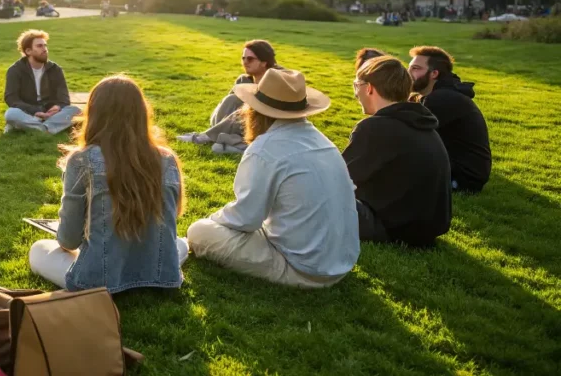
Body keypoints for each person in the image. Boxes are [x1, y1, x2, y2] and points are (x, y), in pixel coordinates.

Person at [187, 69, 359, 288]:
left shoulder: (265, 149)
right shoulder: (322, 141)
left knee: (199, 231)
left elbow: (245, 219)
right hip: (340, 263)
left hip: (304, 269)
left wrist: (214, 220)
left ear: (254, 111)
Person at [28, 76, 187, 293]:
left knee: (38, 249)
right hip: (160, 275)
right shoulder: (167, 158)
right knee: (181, 244)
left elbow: (68, 240)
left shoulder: (82, 159)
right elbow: (173, 216)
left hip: (99, 282)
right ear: (141, 113)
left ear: (94, 113)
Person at [345, 56, 452, 247]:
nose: (355, 93)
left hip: (391, 229)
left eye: (356, 85)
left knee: (316, 190)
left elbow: (339, 179)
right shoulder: (421, 122)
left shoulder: (375, 127)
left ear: (369, 88)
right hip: (425, 230)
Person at [408, 46, 491, 192]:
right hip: (457, 168)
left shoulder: (441, 98)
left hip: (463, 178)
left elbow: (409, 134)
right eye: (409, 68)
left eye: (416, 69)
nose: (408, 74)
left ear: (434, 73)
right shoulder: (438, 94)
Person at [177, 40, 281, 155]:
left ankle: (207, 137)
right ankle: (217, 135)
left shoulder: (276, 81)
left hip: (266, 128)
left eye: (250, 59)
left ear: (264, 62)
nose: (245, 62)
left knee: (246, 111)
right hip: (245, 128)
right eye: (243, 58)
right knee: (231, 98)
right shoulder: (245, 80)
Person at [4, 30, 81, 134]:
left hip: (50, 113)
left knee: (75, 110)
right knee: (11, 113)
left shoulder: (55, 69)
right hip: (28, 112)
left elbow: (64, 98)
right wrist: (35, 111)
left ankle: (35, 127)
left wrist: (57, 107)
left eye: (45, 45)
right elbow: (11, 99)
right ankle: (48, 127)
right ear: (28, 51)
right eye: (40, 46)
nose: (45, 49)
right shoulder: (15, 70)